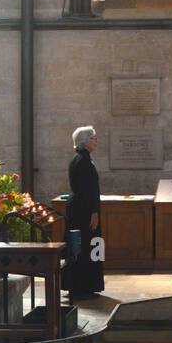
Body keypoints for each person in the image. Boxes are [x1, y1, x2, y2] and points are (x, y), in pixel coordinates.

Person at [65, 126, 105, 302]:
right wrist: (94, 212)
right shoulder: (83, 160)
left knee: (86, 245)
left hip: (80, 208)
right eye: (93, 138)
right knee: (85, 245)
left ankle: (84, 285)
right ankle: (82, 286)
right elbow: (87, 190)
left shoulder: (82, 158)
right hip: (84, 211)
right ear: (84, 141)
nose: (96, 141)